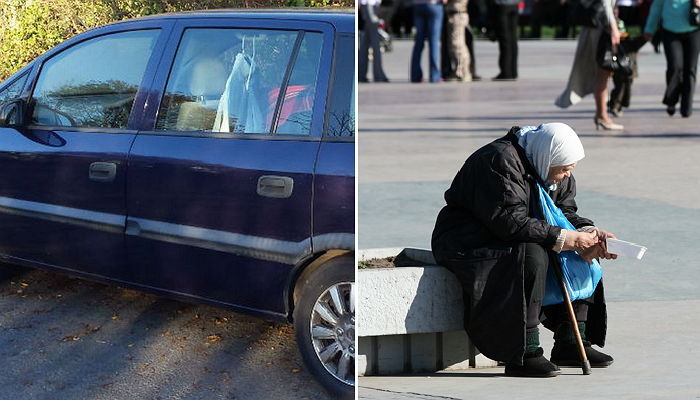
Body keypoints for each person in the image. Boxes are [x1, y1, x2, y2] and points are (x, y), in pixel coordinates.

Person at [431, 123, 616, 377]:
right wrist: (566, 238)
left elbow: (564, 212)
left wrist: (587, 232)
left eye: (569, 170)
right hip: (470, 240)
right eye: (563, 170)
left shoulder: (548, 165)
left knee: (584, 253)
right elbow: (509, 221)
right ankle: (524, 352)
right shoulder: (499, 160)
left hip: (518, 234)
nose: (566, 176)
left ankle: (571, 343)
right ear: (547, 157)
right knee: (532, 255)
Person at [555, 0, 624, 130]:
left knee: (603, 72)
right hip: (601, 28)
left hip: (596, 26)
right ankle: (602, 115)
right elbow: (605, 3)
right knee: (603, 72)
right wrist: (614, 27)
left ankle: (601, 114)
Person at [644, 0, 700, 117]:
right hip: (670, 31)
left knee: (690, 69)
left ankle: (686, 105)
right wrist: (650, 28)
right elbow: (657, 7)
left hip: (694, 30)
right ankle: (671, 100)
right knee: (675, 67)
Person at [411, 0, 446, 83]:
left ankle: (415, 76)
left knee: (418, 42)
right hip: (433, 5)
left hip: (418, 5)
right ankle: (435, 76)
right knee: (434, 42)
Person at [360, 0, 390, 83]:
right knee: (376, 45)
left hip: (369, 7)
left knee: (365, 44)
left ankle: (361, 74)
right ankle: (378, 75)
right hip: (370, 7)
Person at [442, 0, 473, 81]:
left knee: (458, 44)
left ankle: (465, 72)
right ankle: (458, 71)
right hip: (453, 14)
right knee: (453, 45)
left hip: (458, 14)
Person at [490, 0, 519, 80]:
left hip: (502, 5)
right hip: (514, 4)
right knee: (513, 38)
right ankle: (513, 71)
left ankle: (506, 72)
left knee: (505, 39)